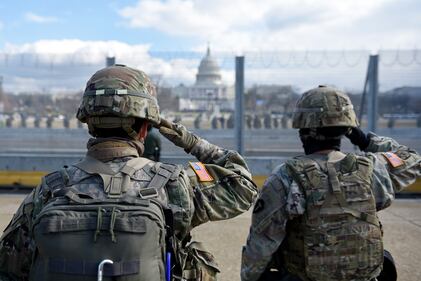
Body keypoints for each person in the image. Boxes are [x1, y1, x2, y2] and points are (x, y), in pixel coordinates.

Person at [0, 65, 257, 281]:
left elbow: (9, 264)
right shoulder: (174, 185)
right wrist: (187, 138)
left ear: (89, 123)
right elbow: (243, 185)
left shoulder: (51, 188)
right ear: (146, 127)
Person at [241, 85, 421, 281]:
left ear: (303, 130)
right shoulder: (375, 169)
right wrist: (362, 139)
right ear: (346, 130)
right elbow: (411, 158)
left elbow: (260, 246)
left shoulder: (285, 177)